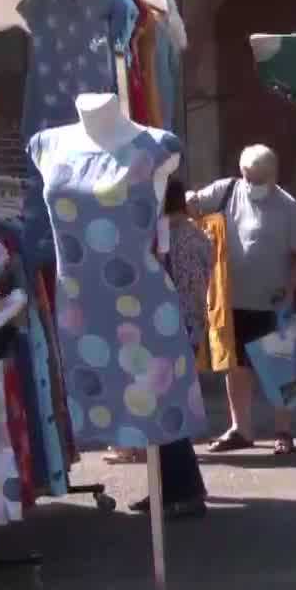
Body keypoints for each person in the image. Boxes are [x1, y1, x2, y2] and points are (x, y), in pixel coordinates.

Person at [187, 144, 296, 456]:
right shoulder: (227, 190)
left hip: (272, 301)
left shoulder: (286, 206)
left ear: (273, 176)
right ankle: (240, 428)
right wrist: (189, 200)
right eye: (248, 177)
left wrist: (291, 284)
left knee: (282, 368)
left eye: (259, 179)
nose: (252, 184)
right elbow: (192, 206)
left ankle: (283, 431)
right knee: (237, 366)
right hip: (231, 300)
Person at [135, 178, 211, 519]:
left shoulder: (170, 238)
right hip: (186, 328)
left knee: (166, 413)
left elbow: (171, 287)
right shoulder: (194, 234)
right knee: (164, 412)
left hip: (171, 330)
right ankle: (165, 489)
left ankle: (186, 490)